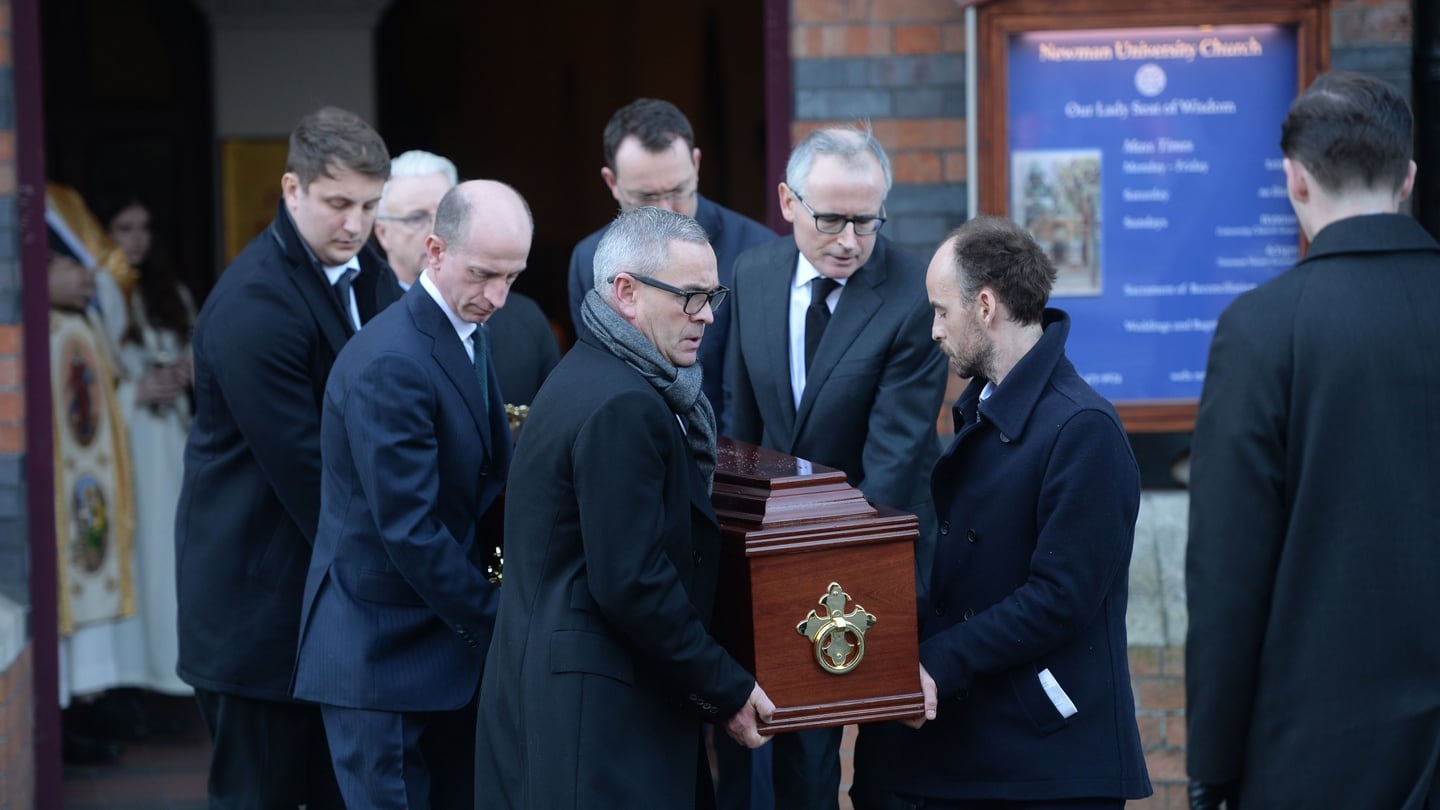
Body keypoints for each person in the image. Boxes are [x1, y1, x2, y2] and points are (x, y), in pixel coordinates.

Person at [1185, 71, 1440, 810]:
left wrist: (1213, 767)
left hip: (1317, 759)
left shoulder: (1262, 330)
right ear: (1408, 177)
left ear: (1294, 181)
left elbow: (1229, 573)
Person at [476, 206, 775, 808]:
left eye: (712, 295)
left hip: (575, 709)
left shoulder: (591, 375)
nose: (709, 316)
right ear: (626, 293)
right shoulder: (625, 405)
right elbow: (633, 583)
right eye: (690, 297)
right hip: (597, 727)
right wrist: (725, 687)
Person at [852, 215, 1152, 809]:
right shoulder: (989, 408)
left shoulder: (1082, 428)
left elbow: (1061, 595)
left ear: (985, 306)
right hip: (975, 751)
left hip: (1041, 760)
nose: (934, 330)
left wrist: (938, 661)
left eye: (941, 310)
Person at [174, 106, 400, 809]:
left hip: (324, 604)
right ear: (291, 189)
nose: (355, 225)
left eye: (368, 206)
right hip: (256, 612)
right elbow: (310, 472)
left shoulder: (366, 270)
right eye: (337, 203)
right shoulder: (254, 305)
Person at [723, 124, 949, 810]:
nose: (849, 240)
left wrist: (820, 574)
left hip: (879, 553)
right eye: (831, 219)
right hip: (775, 559)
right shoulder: (753, 275)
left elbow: (894, 458)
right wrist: (747, 564)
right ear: (788, 202)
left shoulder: (914, 292)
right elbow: (742, 430)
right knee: (800, 763)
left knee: (890, 764)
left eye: (867, 221)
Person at [293, 180, 528, 808]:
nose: (498, 297)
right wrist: (498, 620)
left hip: (435, 647)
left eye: (513, 277)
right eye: (484, 275)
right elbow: (411, 528)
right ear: (434, 250)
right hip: (380, 653)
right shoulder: (394, 360)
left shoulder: (466, 331)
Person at [566, 98, 773, 425]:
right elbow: (595, 374)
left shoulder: (757, 251)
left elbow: (753, 392)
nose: (666, 209)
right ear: (612, 183)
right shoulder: (588, 258)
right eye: (646, 198)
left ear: (696, 164)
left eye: (679, 191)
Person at [376, 149, 559, 408]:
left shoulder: (525, 320)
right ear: (383, 233)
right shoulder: (368, 321)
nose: (434, 228)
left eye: (445, 215)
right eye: (416, 218)